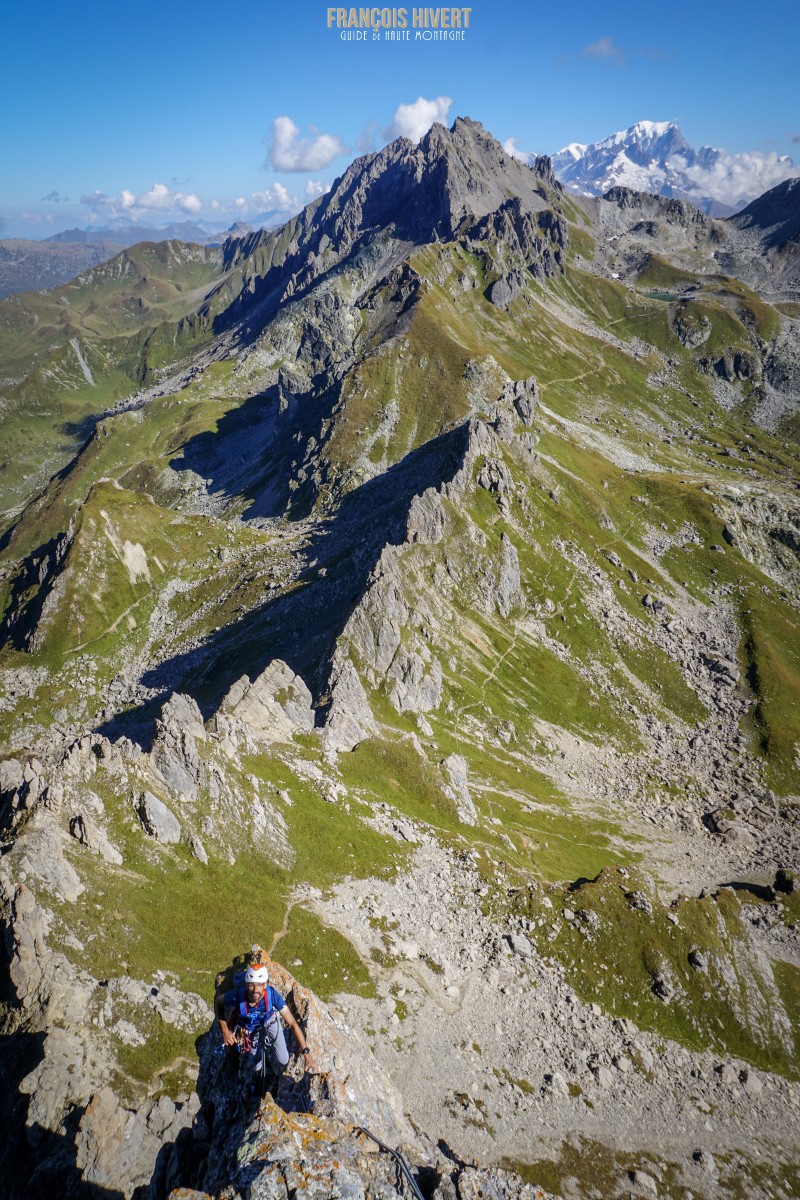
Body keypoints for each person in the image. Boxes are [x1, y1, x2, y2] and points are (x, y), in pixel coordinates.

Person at [215, 963, 316, 1093]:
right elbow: (218, 1002)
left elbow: (292, 1024)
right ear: (246, 984)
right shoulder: (237, 996)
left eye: (259, 984)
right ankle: (259, 1079)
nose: (254, 989)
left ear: (265, 985)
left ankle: (268, 1065)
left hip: (269, 1021)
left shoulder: (272, 996)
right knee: (255, 1061)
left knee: (283, 1059)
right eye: (251, 984)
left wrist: (306, 1054)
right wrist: (225, 1031)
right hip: (250, 1028)